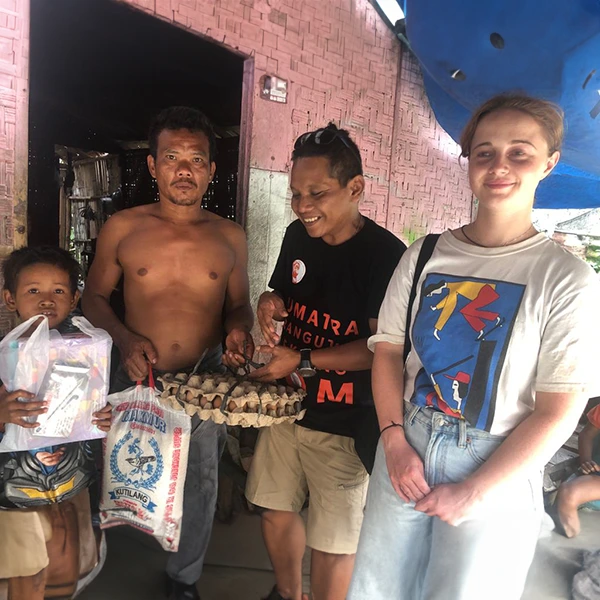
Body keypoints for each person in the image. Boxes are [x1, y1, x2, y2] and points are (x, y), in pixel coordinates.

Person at [348, 94, 600, 600]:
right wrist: (394, 441)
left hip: (499, 457)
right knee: (377, 589)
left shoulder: (565, 278)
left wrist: (478, 489)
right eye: (484, 152)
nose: (499, 165)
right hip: (409, 440)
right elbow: (389, 352)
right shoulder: (425, 255)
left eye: (519, 152)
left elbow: (559, 409)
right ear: (468, 160)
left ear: (548, 163)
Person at [81, 106, 254, 600]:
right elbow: (93, 297)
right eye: (172, 157)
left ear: (211, 171)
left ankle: (185, 579)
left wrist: (240, 331)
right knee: (119, 465)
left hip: (205, 377)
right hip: (138, 373)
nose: (184, 169)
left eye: (196, 159)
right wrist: (124, 337)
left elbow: (238, 304)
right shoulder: (123, 227)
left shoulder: (229, 236)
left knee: (201, 480)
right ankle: (95, 559)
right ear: (153, 166)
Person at [245, 123, 406, 600]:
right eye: (295, 194)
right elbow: (284, 293)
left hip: (345, 417)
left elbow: (382, 346)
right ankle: (289, 594)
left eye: (317, 193)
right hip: (284, 404)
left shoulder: (386, 256)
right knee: (274, 510)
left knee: (334, 539)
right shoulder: (298, 236)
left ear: (355, 188)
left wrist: (306, 360)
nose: (303, 206)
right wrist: (269, 300)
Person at [0, 246, 112, 600]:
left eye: (59, 291)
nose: (47, 300)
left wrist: (100, 418)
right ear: (10, 298)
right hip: (15, 491)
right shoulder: (4, 355)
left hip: (70, 481)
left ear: (75, 297)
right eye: (33, 291)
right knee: (28, 574)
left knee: (66, 565)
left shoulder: (84, 351)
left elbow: (89, 412)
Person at [555, 402, 600, 537]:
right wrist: (586, 460)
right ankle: (572, 542)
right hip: (596, 473)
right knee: (569, 494)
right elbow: (587, 434)